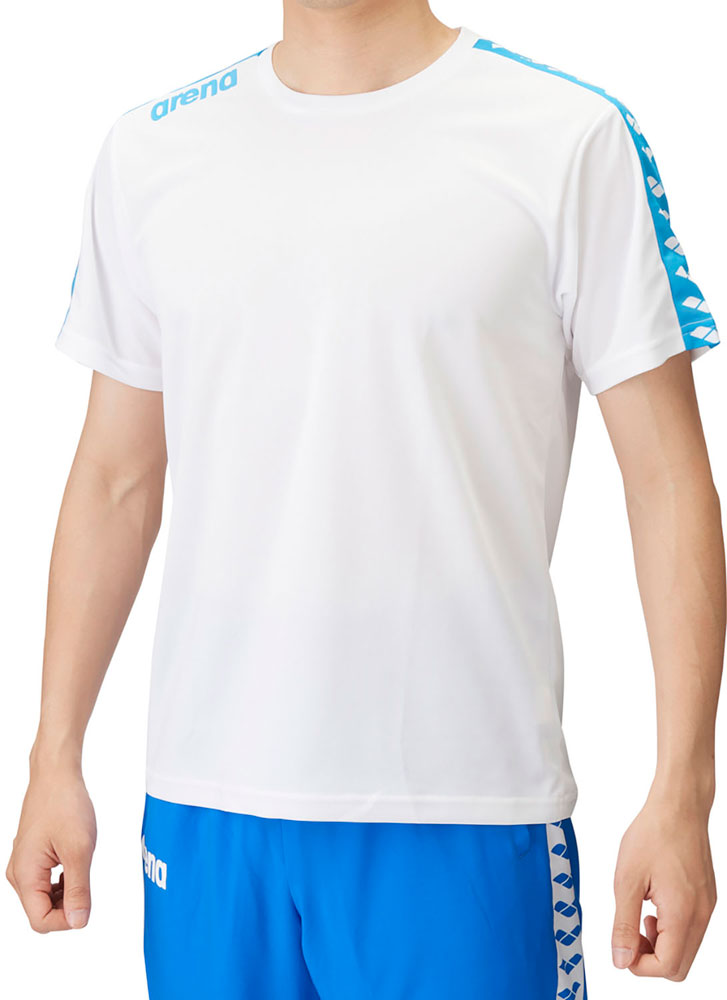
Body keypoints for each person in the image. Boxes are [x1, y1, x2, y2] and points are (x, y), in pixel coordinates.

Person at [6, 1, 724, 996]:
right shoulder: (152, 151)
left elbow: (665, 481)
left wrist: (682, 793)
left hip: (463, 811)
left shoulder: (567, 136)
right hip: (206, 811)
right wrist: (53, 756)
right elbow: (114, 479)